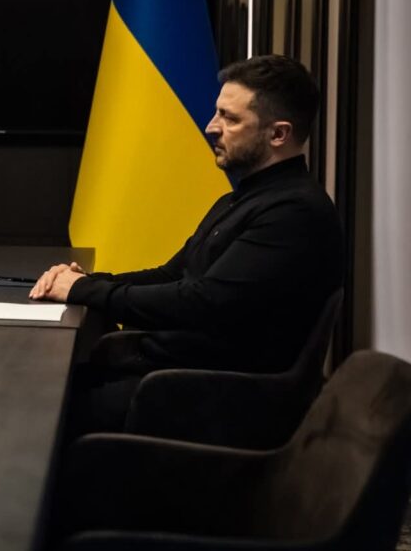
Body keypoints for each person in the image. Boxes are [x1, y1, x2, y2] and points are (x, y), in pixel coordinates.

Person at [31, 54, 343, 431]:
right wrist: (88, 282)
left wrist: (85, 290)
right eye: (217, 113)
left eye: (229, 118)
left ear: (278, 134)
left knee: (38, 409)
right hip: (172, 378)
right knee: (40, 387)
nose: (211, 127)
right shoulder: (239, 200)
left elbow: (202, 303)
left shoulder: (294, 213)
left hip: (210, 398)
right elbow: (172, 275)